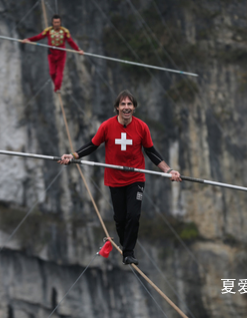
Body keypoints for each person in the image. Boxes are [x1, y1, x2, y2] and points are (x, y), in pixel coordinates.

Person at [59, 90, 182, 265]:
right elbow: (92, 145)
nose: (126, 108)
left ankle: (128, 252)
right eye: (123, 104)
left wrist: (169, 170)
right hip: (114, 179)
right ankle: (126, 245)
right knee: (120, 218)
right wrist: (72, 156)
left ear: (134, 108)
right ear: (117, 107)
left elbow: (151, 152)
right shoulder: (107, 126)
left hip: (136, 178)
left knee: (133, 215)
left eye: (129, 104)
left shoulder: (141, 127)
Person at [22, 14, 84, 92]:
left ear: (60, 22)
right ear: (52, 22)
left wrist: (79, 50)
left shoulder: (65, 31)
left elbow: (71, 42)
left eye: (58, 22)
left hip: (61, 54)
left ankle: (57, 88)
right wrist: (28, 40)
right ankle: (56, 84)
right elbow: (38, 37)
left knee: (59, 72)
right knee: (52, 73)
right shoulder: (48, 30)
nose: (56, 24)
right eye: (55, 22)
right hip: (51, 53)